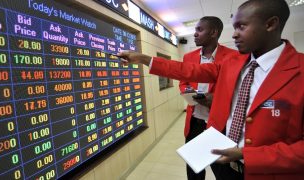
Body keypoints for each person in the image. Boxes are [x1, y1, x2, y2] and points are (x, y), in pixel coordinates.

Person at [118, 0, 304, 179]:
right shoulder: (232, 63)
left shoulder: (299, 70)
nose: (234, 34)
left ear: (270, 24)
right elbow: (188, 70)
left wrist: (248, 155)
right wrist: (144, 59)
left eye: (242, 26)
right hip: (225, 165)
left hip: (267, 173)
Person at [178, 16, 239, 180]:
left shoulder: (234, 57)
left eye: (199, 30)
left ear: (213, 32)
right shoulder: (189, 57)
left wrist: (216, 99)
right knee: (194, 167)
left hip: (219, 124)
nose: (195, 34)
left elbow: (237, 89)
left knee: (221, 168)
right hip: (195, 121)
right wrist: (189, 91)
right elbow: (183, 82)